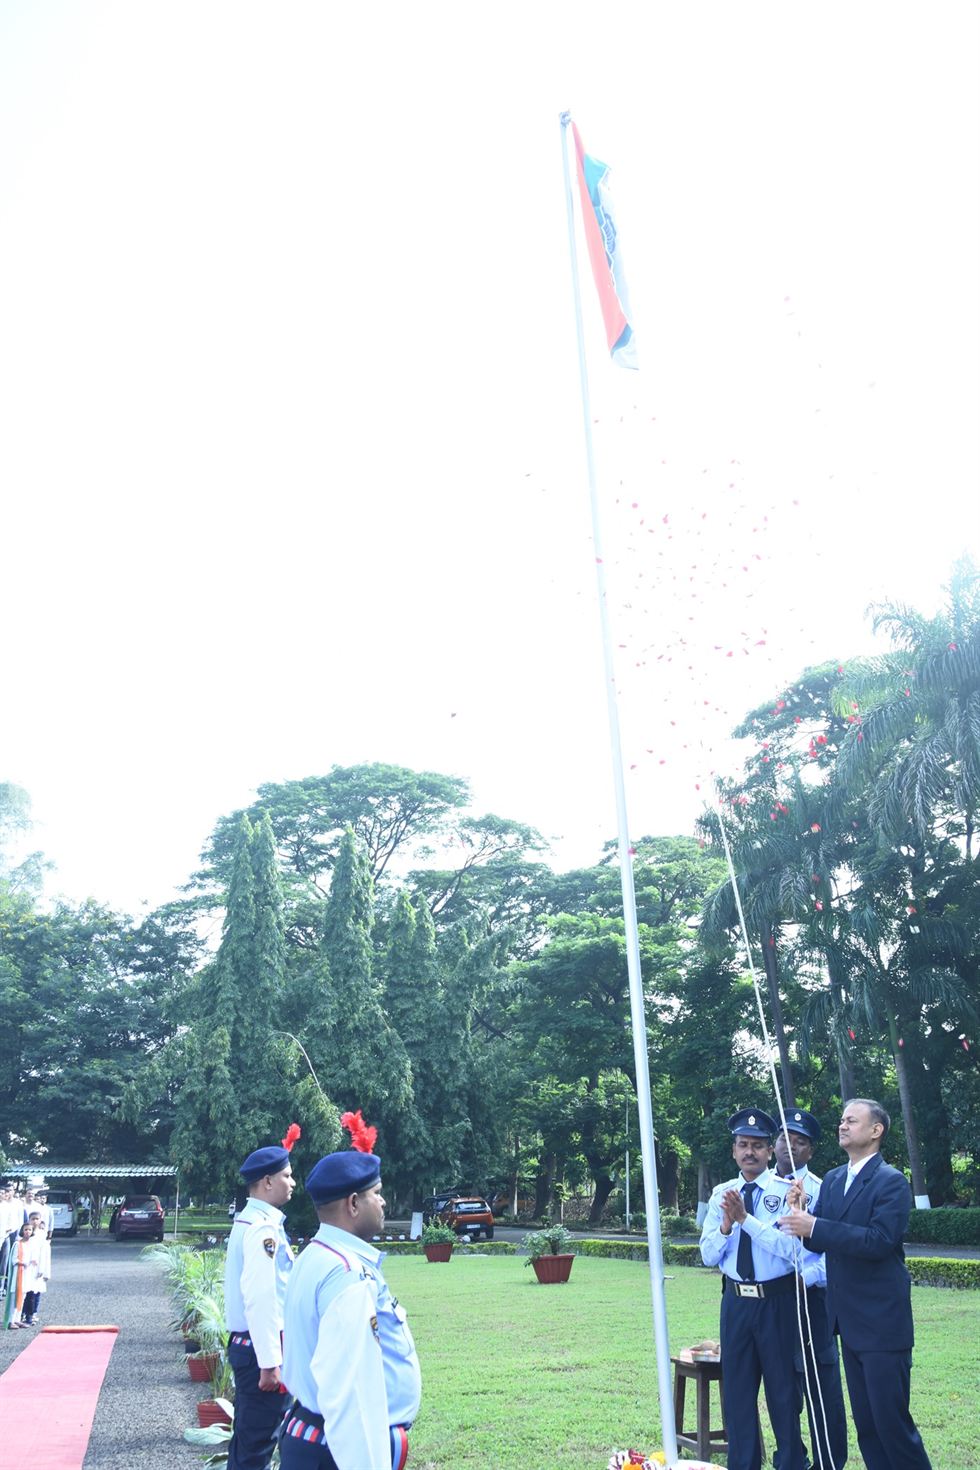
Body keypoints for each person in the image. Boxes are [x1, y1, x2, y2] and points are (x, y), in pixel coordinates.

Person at [781, 1098, 932, 1470]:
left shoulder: (891, 1181)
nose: (842, 1126)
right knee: (867, 1426)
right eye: (841, 1120)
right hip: (847, 1323)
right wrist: (801, 1214)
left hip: (882, 1324)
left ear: (876, 1130)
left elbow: (879, 1241)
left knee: (892, 1423)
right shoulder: (834, 1179)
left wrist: (816, 1225)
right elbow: (817, 1241)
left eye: (852, 1120)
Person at [281, 1110, 421, 1470]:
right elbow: (352, 1390)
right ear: (354, 1203)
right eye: (377, 1194)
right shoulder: (346, 1274)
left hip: (315, 1436)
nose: (383, 1202)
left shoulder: (315, 1255)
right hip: (334, 1449)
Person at [699, 1108, 806, 1470]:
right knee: (738, 1394)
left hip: (776, 1302)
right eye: (743, 1145)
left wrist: (746, 1219)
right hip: (736, 1304)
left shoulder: (786, 1192)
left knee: (783, 1393)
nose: (750, 1152)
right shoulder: (721, 1195)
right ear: (733, 1151)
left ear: (770, 1151)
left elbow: (792, 1251)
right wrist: (727, 1225)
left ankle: (790, 1463)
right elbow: (708, 1255)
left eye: (758, 1145)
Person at [769, 1110, 848, 1470]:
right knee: (781, 1386)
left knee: (820, 1384)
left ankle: (828, 1462)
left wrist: (808, 1277)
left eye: (800, 1142)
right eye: (785, 1138)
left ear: (810, 1151)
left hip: (810, 1300)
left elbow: (835, 1251)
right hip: (771, 1302)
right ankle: (789, 1460)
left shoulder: (822, 1189)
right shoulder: (760, 1187)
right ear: (774, 1144)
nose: (791, 1146)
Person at [224, 1127, 300, 1470]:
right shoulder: (262, 1229)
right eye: (287, 1176)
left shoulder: (251, 1221)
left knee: (250, 1442)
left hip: (252, 1345)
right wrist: (270, 1362)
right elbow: (262, 1297)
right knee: (257, 1446)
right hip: (261, 1349)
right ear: (267, 1182)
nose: (292, 1182)